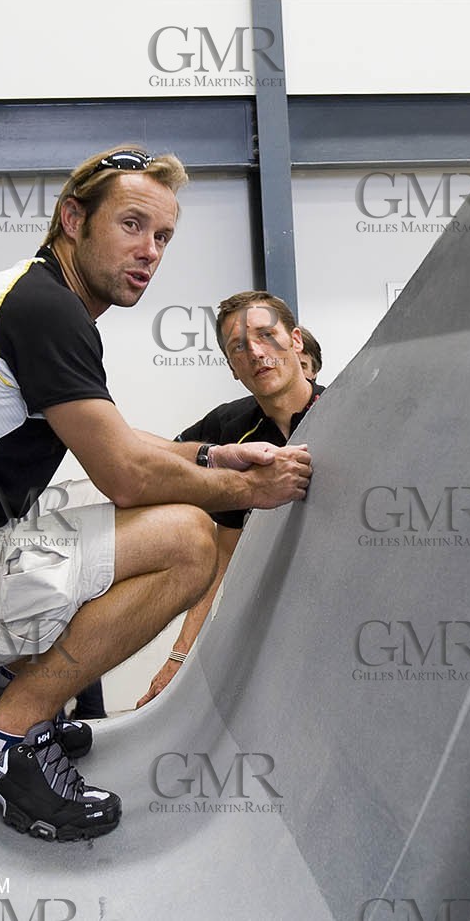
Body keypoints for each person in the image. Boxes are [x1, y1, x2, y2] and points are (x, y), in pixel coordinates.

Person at [0, 147, 312, 842]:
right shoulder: (46, 311)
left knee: (152, 517)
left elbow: (118, 439)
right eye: (131, 224)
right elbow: (123, 472)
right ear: (72, 218)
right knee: (186, 540)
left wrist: (213, 453)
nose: (148, 250)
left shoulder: (37, 298)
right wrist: (244, 487)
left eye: (163, 237)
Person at [137, 291, 323, 707]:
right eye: (238, 346)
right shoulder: (230, 428)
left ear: (295, 341)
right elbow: (224, 557)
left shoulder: (346, 412)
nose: (256, 352)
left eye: (266, 335)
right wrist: (177, 659)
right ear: (232, 367)